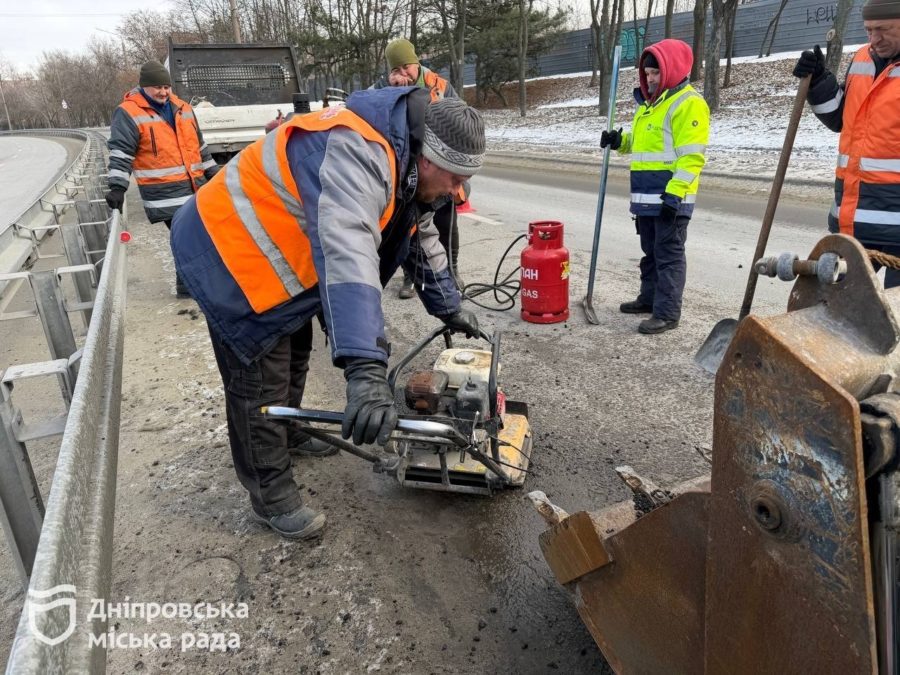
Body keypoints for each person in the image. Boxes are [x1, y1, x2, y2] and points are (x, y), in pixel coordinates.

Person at [170, 88, 485, 539]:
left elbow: (418, 236)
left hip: (284, 253)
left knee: (297, 348)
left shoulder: (409, 166)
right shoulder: (361, 154)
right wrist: (365, 372)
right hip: (230, 252)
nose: (459, 194)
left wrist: (449, 307)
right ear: (429, 158)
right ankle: (270, 495)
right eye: (456, 178)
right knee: (260, 382)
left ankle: (290, 434)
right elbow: (348, 254)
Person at [600, 39, 709, 334]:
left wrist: (676, 192)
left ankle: (667, 313)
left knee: (668, 255)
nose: (650, 79)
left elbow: (692, 157)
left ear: (671, 69)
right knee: (650, 252)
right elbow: (642, 146)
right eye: (647, 74)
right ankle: (648, 299)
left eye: (655, 73)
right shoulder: (649, 106)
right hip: (646, 198)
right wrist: (618, 141)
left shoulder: (688, 103)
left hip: (670, 199)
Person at [793, 0, 900, 287]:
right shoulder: (863, 59)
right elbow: (841, 117)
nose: (874, 39)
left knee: (892, 322)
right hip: (852, 221)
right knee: (839, 315)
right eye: (868, 30)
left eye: (883, 29)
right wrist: (818, 82)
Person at [105, 60, 219, 298]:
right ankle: (189, 287)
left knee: (195, 237)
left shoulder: (184, 108)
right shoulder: (128, 112)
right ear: (144, 86)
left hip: (195, 188)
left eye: (167, 86)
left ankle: (189, 285)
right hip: (165, 195)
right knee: (187, 238)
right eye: (157, 87)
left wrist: (213, 172)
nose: (163, 92)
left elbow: (199, 147)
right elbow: (121, 152)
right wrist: (117, 186)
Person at [375, 38, 466, 299]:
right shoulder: (383, 87)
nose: (402, 74)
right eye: (396, 69)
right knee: (411, 223)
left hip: (440, 166)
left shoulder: (439, 85)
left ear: (417, 64)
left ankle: (452, 269)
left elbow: (461, 118)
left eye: (406, 67)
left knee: (446, 220)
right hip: (407, 168)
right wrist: (392, 91)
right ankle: (411, 276)